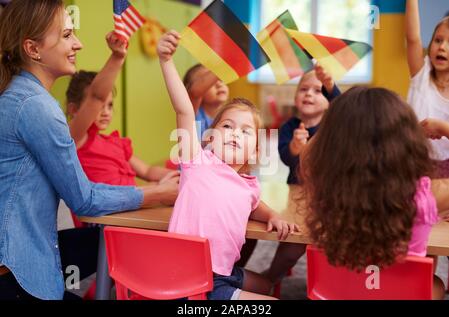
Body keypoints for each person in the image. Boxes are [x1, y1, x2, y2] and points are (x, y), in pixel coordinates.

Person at [0, 0, 178, 300]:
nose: (78, 44)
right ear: (33, 49)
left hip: (21, 254)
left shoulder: (19, 95)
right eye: (67, 35)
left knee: (108, 241)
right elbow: (83, 200)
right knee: (118, 243)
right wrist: (160, 193)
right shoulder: (36, 107)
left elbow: (97, 95)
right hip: (17, 275)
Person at [158, 30, 298, 300]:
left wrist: (273, 217)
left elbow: (255, 204)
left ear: (255, 150)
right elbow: (184, 109)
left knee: (266, 285)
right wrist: (166, 61)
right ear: (210, 137)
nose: (234, 133)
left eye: (245, 132)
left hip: (224, 271)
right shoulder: (197, 161)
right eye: (227, 126)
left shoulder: (248, 185)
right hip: (194, 277)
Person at [301, 86, 447, 299]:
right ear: (408, 140)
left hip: (342, 292)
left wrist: (335, 120)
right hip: (400, 293)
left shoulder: (324, 188)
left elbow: (307, 154)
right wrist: (444, 128)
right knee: (436, 284)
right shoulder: (428, 194)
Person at [66, 32, 177, 188]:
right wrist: (117, 56)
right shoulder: (75, 140)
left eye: (110, 105)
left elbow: (147, 170)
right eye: (99, 106)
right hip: (105, 212)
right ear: (74, 109)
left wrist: (181, 176)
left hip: (132, 208)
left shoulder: (116, 143)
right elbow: (96, 96)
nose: (105, 111)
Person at [264, 66, 340, 287]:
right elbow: (286, 158)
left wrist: (331, 86)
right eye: (304, 89)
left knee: (328, 246)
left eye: (318, 91)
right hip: (296, 195)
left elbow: (345, 108)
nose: (309, 94)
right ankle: (271, 277)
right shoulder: (289, 126)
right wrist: (296, 148)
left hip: (328, 198)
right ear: (296, 97)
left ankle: (330, 284)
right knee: (291, 244)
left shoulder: (333, 125)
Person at [406, 0, 449, 177]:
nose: (442, 47)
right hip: (413, 163)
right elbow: (413, 38)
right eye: (438, 40)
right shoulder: (421, 75)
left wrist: (440, 127)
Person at [183, 63, 229, 141]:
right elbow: (195, 92)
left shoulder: (232, 113)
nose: (219, 84)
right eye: (209, 82)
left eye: (220, 79)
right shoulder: (193, 114)